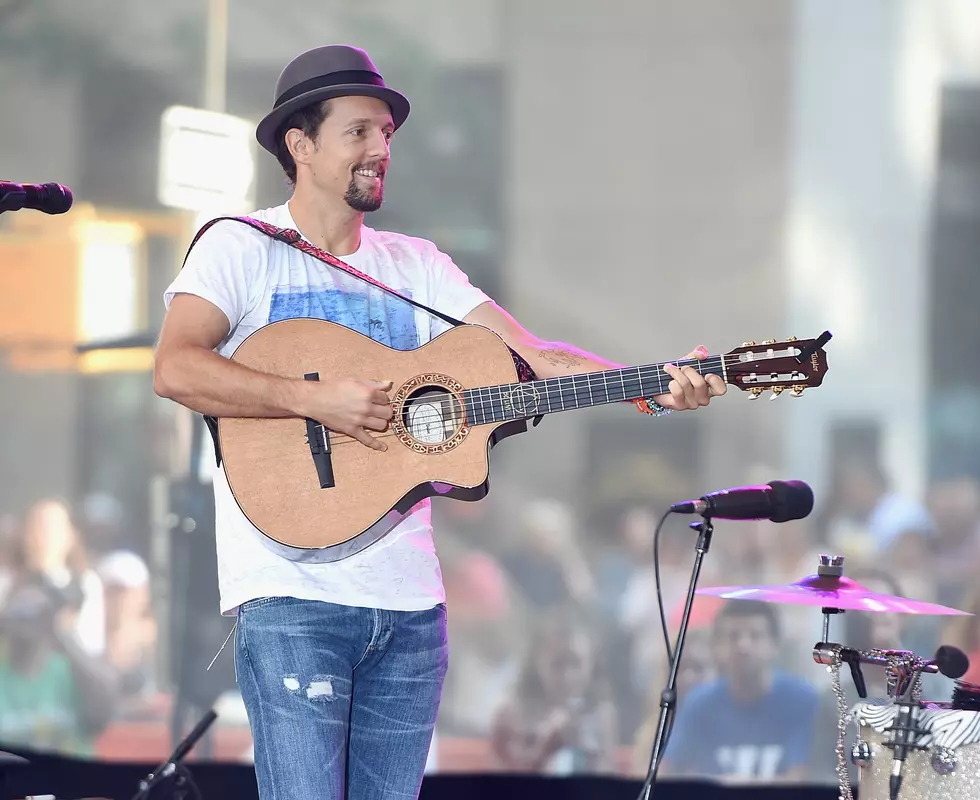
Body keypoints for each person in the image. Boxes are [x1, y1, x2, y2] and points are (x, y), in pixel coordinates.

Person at [152, 43, 726, 800]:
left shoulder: (416, 264)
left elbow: (536, 359)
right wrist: (314, 399)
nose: (380, 148)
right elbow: (176, 368)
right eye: (358, 131)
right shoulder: (241, 247)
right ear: (300, 144)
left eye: (386, 132)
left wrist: (652, 388)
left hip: (412, 611)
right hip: (295, 601)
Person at [658, 600, 819, 784]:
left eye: (755, 636)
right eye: (733, 636)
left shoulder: (802, 701)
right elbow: (669, 774)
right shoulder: (699, 704)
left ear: (774, 645)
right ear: (717, 647)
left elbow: (801, 780)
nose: (743, 645)